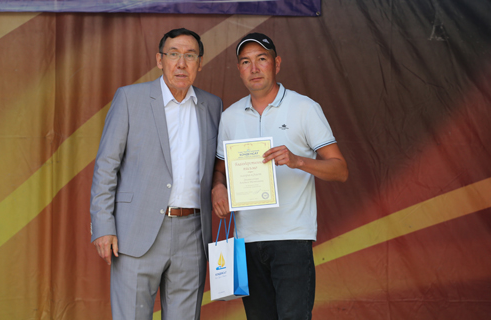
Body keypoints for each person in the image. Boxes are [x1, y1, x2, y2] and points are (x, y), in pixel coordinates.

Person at [211, 32, 348, 320]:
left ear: (277, 63)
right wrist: (218, 188)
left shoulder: (304, 108)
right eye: (246, 62)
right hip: (247, 241)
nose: (254, 68)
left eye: (262, 59)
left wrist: (298, 161)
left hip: (292, 239)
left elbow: (340, 170)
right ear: (239, 69)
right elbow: (219, 170)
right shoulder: (230, 116)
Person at [90, 28, 222, 320]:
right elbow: (106, 165)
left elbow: (217, 164)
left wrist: (220, 186)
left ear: (200, 63)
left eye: (190, 56)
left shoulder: (212, 105)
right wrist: (103, 225)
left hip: (192, 234)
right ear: (160, 60)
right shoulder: (130, 98)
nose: (181, 63)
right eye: (173, 54)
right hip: (135, 231)